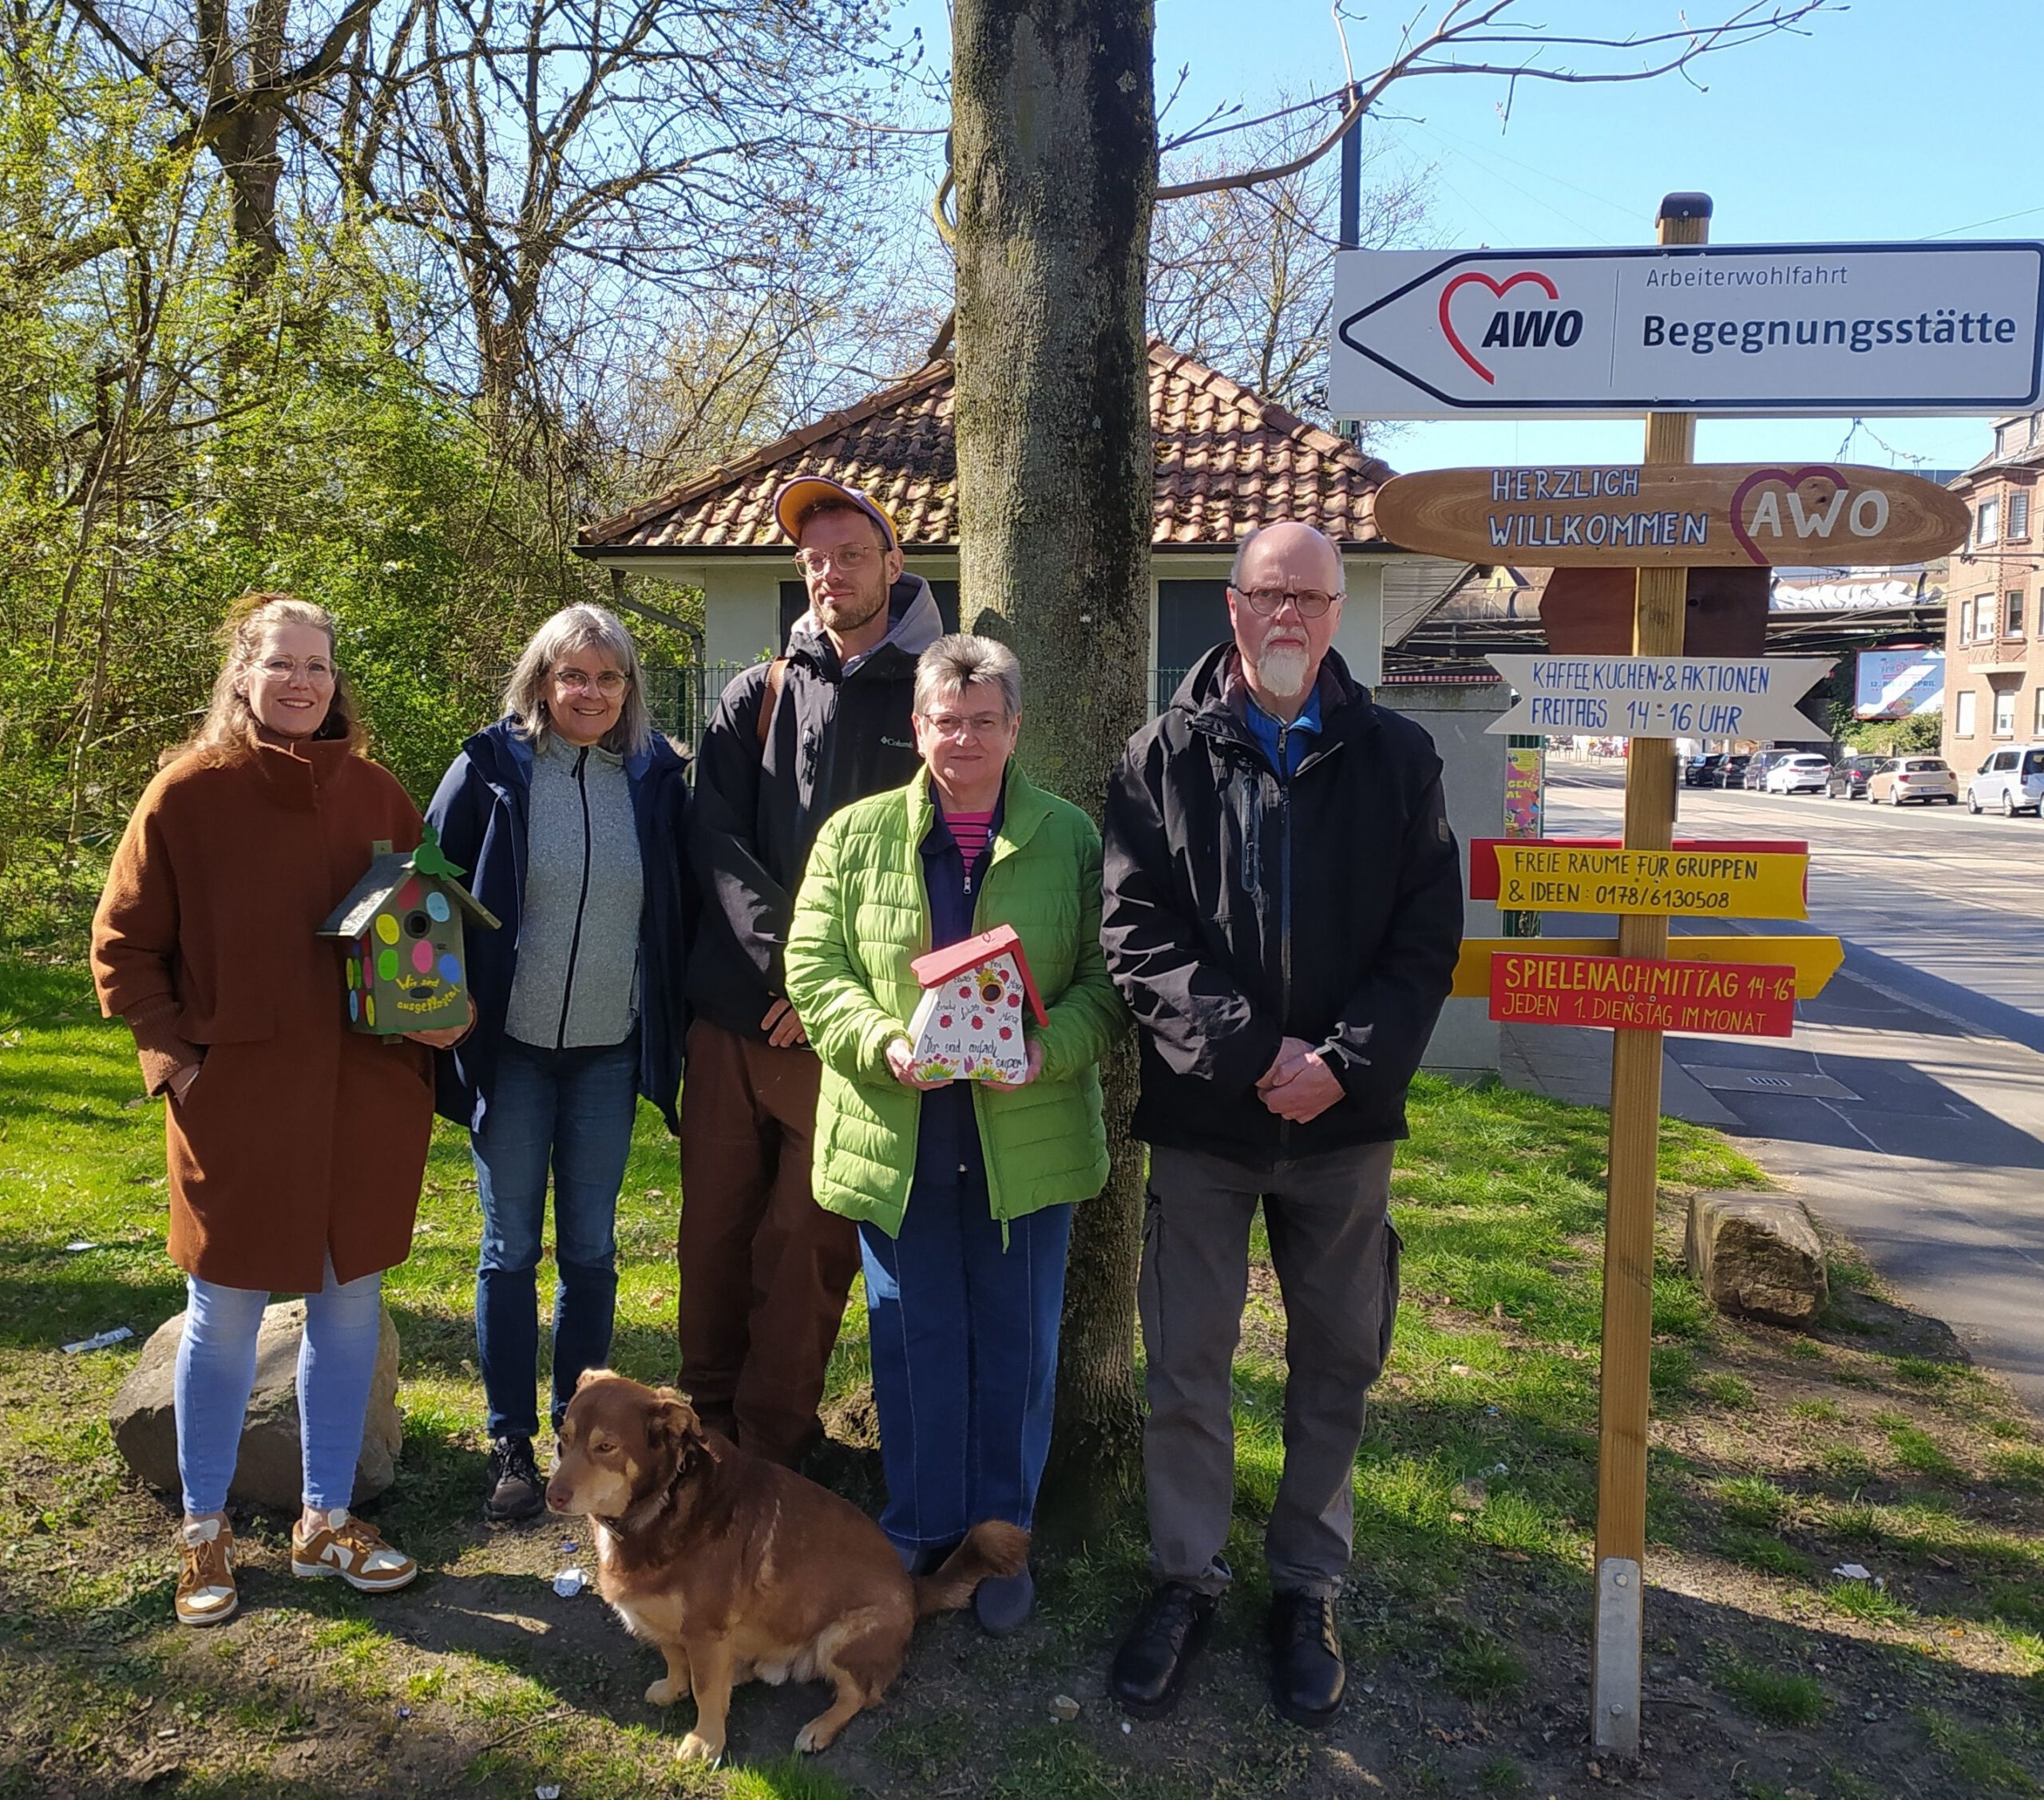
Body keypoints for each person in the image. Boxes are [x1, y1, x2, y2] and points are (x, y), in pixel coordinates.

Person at [1099, 521, 1464, 1726]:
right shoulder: (1160, 756)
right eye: (1270, 592)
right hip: (1207, 1121)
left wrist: (1342, 1064)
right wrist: (1255, 1053)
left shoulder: (1398, 756)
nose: (1290, 613)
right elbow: (1136, 934)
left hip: (1343, 1130)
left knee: (1338, 1361)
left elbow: (1426, 939)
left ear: (1338, 610)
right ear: (1234, 605)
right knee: (1186, 1362)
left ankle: (1306, 1584)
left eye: (1311, 594)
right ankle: (1185, 1576)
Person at [91, 592, 467, 1627]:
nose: (302, 681)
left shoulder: (378, 794)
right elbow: (123, 944)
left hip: (365, 1100)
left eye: (318, 664)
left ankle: (325, 1519)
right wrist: (178, 1064)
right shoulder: (186, 794)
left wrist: (440, 1011)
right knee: (225, 1311)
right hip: (241, 1103)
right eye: (282, 663)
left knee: (351, 1305)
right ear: (243, 674)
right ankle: (204, 1527)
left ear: (336, 681)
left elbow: (423, 929)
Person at [783, 635, 1124, 1633]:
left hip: (1027, 1141)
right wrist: (880, 1041)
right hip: (899, 1141)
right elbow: (813, 967)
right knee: (911, 1341)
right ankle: (919, 1527)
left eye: (983, 721)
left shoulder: (1068, 838)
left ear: (1015, 728)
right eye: (945, 720)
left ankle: (999, 1543)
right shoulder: (853, 836)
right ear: (917, 726)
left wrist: (1044, 1052)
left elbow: (1108, 984)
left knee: (1018, 1352)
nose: (963, 738)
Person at [679, 476, 943, 1469]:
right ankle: (703, 1432)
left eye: (850, 555)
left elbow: (925, 861)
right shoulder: (758, 693)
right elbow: (716, 840)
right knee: (712, 1232)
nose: (830, 574)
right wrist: (780, 977)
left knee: (808, 1247)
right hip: (735, 1016)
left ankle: (771, 1449)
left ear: (893, 563)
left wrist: (827, 995)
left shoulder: (933, 700)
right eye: (813, 560)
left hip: (848, 1029)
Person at [427, 603, 691, 1522]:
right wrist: (444, 998)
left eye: (608, 677)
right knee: (509, 1249)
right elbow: (428, 886)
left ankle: (578, 1436)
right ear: (541, 680)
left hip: (606, 1054)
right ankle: (509, 1440)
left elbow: (681, 904)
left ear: (630, 688)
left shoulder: (655, 778)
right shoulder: (490, 769)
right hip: (510, 1051)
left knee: (590, 1249)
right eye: (573, 674)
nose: (590, 692)